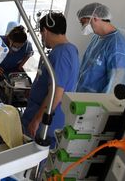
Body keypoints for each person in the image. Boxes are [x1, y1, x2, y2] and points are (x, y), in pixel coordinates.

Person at [21, 12, 80, 148]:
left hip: (45, 124)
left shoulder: (61, 54)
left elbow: (56, 93)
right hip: (49, 118)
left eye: (41, 34)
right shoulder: (70, 50)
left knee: (35, 160)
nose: (42, 38)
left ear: (45, 31)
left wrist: (37, 120)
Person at [76, 2, 125, 93]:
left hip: (95, 103)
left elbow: (115, 84)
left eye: (83, 22)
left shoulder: (118, 45)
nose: (83, 26)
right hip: (80, 94)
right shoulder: (96, 37)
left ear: (95, 17)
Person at [0, 25, 34, 89]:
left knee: (16, 86)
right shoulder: (0, 41)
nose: (17, 48)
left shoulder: (27, 45)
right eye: (15, 46)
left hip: (14, 68)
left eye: (19, 47)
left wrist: (22, 65)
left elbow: (29, 54)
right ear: (9, 39)